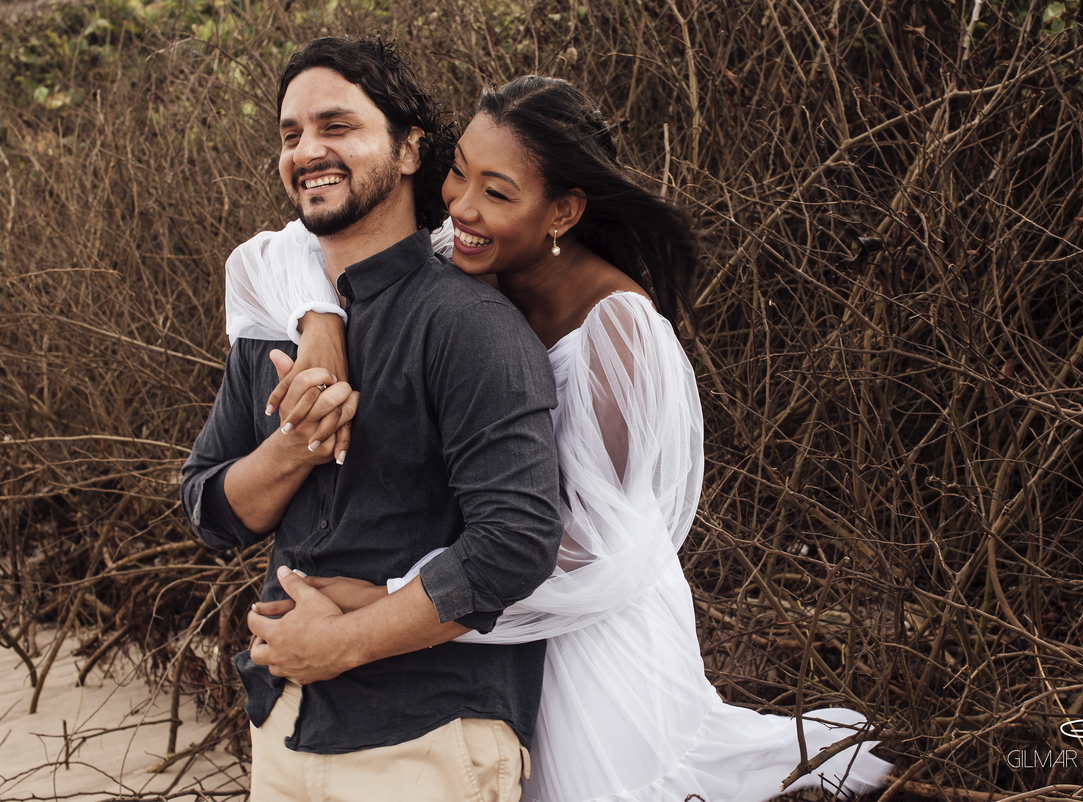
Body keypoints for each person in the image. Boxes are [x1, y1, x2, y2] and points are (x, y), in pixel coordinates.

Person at [229, 75, 893, 800]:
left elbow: (588, 549)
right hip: (479, 630)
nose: (462, 205)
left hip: (588, 639)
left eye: (498, 191)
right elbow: (276, 251)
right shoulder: (459, 247)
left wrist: (378, 598)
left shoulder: (618, 332)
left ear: (562, 211)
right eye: (459, 172)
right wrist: (319, 319)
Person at [180, 38, 564, 801]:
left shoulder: (467, 323)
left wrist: (339, 644)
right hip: (282, 721)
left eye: (336, 126)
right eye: (290, 135)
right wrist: (293, 447)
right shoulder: (272, 323)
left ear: (411, 147)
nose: (307, 151)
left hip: (424, 739)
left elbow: (517, 542)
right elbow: (209, 508)